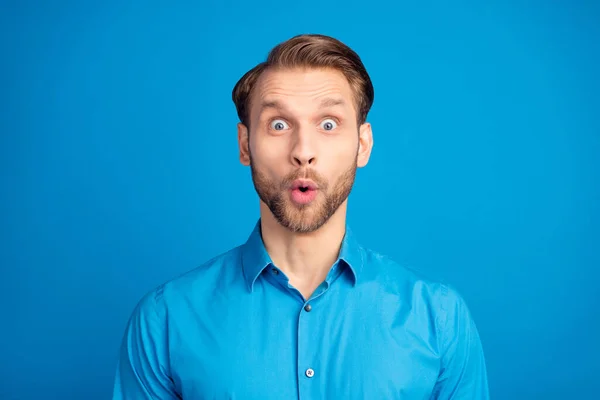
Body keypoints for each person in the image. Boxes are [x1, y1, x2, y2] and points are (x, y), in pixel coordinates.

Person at [112, 34, 490, 399]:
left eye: (328, 124)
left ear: (362, 145)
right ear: (245, 145)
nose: (303, 151)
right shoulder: (165, 320)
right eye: (279, 125)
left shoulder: (439, 319)